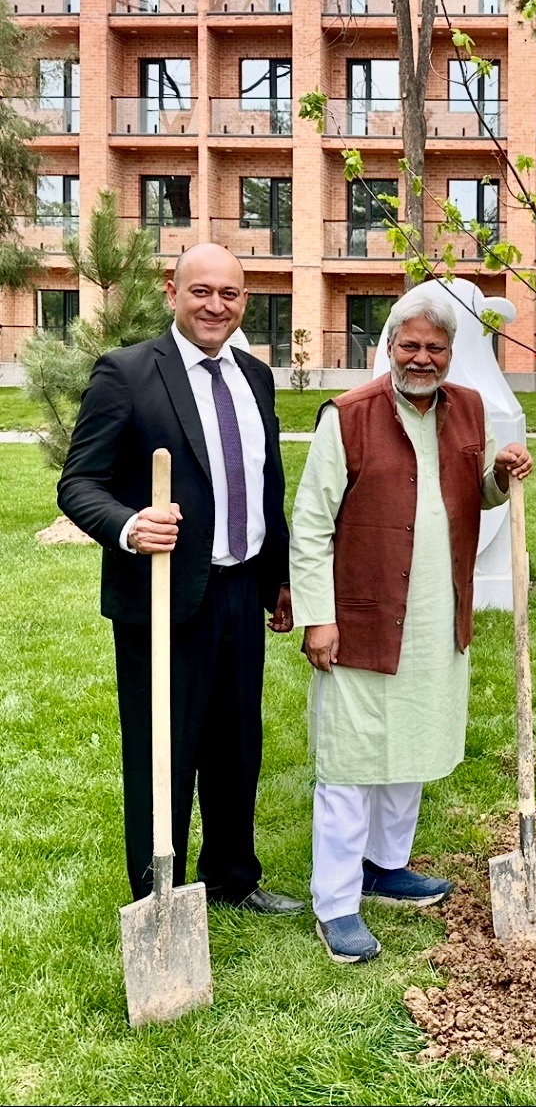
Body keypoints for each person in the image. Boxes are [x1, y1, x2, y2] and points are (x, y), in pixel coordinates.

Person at [290, 286, 533, 966]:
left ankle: (385, 866)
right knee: (349, 758)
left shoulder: (470, 409)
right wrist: (317, 618)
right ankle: (336, 901)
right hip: (361, 614)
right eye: (410, 346)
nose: (421, 358)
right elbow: (310, 524)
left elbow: (469, 492)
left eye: (434, 348)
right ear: (389, 348)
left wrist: (499, 475)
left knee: (413, 744)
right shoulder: (349, 415)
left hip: (434, 612)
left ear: (450, 354)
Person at [57, 243, 301, 913]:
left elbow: (263, 485)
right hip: (162, 598)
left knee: (235, 747)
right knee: (163, 750)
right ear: (173, 291)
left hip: (238, 590)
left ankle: (230, 878)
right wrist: (131, 526)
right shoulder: (128, 374)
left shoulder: (254, 376)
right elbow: (78, 483)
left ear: (244, 299)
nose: (215, 306)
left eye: (229, 293)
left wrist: (277, 577)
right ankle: (158, 894)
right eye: (201, 292)